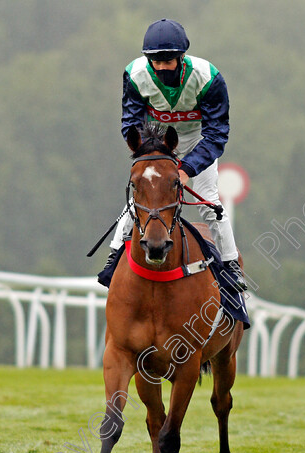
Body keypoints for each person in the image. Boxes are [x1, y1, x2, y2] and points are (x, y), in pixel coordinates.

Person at [104, 18, 247, 292]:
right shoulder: (134, 75)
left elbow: (217, 134)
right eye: (155, 61)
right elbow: (131, 123)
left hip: (197, 143)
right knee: (145, 194)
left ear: (181, 58)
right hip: (155, 142)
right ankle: (114, 256)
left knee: (209, 202)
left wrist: (187, 169)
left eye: (168, 61)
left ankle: (230, 266)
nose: (161, 67)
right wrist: (150, 154)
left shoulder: (208, 78)